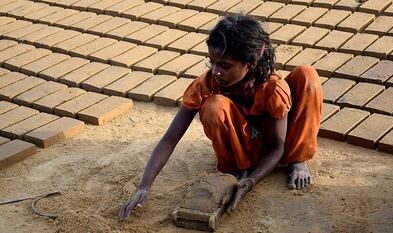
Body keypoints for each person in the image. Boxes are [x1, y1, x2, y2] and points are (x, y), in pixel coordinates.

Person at [118, 14, 322, 220]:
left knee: (308, 76)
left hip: (276, 147)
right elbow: (169, 140)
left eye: (224, 65)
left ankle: (297, 159)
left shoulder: (273, 87)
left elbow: (277, 147)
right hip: (242, 147)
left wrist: (249, 184)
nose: (216, 72)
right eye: (212, 62)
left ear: (250, 64)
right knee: (214, 106)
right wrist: (144, 186)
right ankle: (234, 168)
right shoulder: (206, 85)